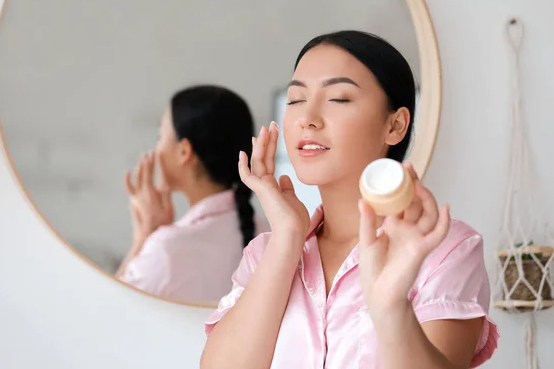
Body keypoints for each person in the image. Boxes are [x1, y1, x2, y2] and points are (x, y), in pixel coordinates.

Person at [200, 31, 499, 368]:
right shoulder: (265, 254)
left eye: (338, 98)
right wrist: (286, 237)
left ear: (395, 125)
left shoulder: (443, 250)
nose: (307, 118)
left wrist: (391, 309)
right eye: (296, 99)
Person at [115, 85, 269, 303]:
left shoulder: (167, 249)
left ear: (184, 151)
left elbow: (108, 314)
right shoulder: (269, 234)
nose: (156, 148)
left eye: (160, 136)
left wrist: (143, 237)